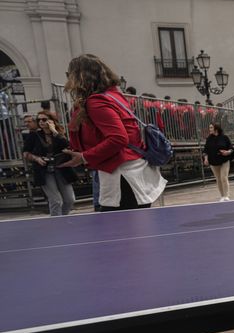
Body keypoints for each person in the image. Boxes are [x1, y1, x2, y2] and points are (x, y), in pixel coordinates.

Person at [58, 53, 166, 211]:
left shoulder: (96, 102)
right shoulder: (113, 95)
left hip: (121, 176)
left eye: (69, 75)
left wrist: (84, 157)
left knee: (122, 230)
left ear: (79, 76)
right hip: (128, 173)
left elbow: (118, 138)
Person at [21, 110, 77, 216]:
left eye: (44, 119)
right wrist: (37, 158)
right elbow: (25, 153)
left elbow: (67, 145)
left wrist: (54, 131)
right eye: (39, 120)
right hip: (44, 170)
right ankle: (57, 225)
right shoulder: (34, 135)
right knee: (56, 201)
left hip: (61, 168)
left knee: (70, 200)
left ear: (51, 121)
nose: (41, 122)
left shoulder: (58, 133)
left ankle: (62, 221)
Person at [203, 122, 234, 201]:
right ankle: (222, 196)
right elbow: (206, 150)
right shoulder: (209, 139)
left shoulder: (224, 137)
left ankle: (226, 196)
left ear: (216, 129)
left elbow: (231, 148)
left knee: (223, 177)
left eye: (211, 127)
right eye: (209, 127)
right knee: (218, 179)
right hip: (213, 162)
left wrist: (228, 152)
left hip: (224, 161)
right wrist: (206, 159)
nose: (209, 129)